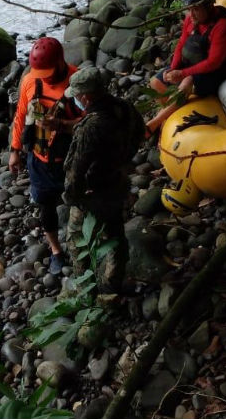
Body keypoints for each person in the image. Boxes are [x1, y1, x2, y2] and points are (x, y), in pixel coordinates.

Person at [63, 67, 145, 292]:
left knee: (76, 239)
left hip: (94, 191)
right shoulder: (124, 108)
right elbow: (140, 132)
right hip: (117, 180)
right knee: (115, 232)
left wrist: (72, 197)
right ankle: (113, 283)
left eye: (78, 95)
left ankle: (86, 289)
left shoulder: (92, 126)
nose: (76, 99)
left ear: (86, 96)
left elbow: (76, 169)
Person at [9, 37, 82, 274]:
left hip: (73, 159)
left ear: (61, 62)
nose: (45, 77)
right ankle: (56, 250)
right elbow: (20, 116)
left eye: (48, 72)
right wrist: (15, 150)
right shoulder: (30, 80)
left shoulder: (77, 82)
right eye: (41, 72)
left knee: (82, 202)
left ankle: (85, 242)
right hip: (40, 160)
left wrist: (61, 124)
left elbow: (94, 120)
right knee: (46, 207)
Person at [145, 0, 226, 136]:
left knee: (187, 81)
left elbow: (214, 62)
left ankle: (154, 124)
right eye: (189, 9)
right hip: (194, 66)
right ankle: (169, 116)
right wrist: (173, 68)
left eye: (196, 9)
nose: (191, 14)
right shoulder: (192, 20)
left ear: (209, 6)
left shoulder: (224, 26)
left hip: (218, 72)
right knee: (155, 82)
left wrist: (183, 74)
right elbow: (181, 43)